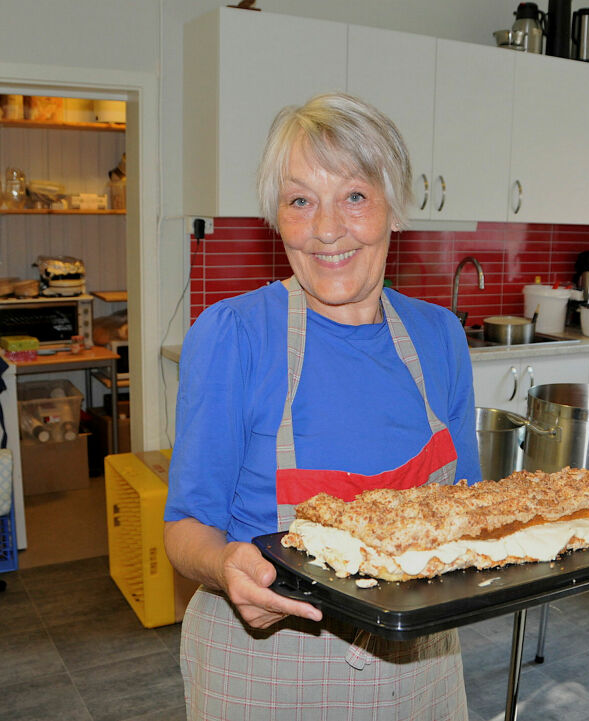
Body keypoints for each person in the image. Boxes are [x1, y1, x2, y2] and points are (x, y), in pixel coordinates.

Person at [164, 92, 481, 720]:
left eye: (355, 196)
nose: (327, 229)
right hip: (270, 665)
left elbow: (463, 510)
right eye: (300, 200)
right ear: (277, 219)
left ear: (396, 207)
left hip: (422, 661)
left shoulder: (440, 336)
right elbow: (185, 529)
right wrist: (227, 564)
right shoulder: (233, 336)